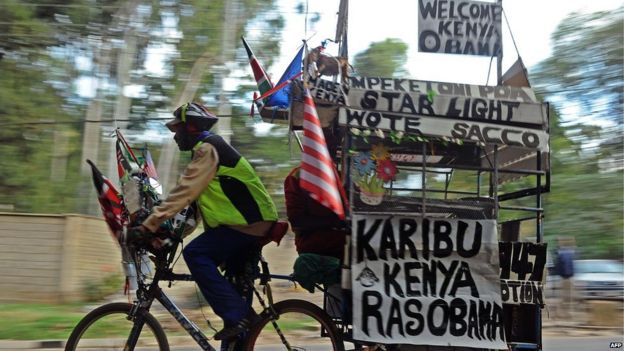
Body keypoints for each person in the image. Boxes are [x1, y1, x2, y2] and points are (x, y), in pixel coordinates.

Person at [133, 102, 278, 341]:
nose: (175, 137)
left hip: (248, 224)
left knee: (196, 255)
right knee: (235, 298)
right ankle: (239, 321)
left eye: (176, 130)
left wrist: (148, 225)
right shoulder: (207, 152)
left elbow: (184, 192)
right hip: (245, 225)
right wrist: (170, 237)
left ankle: (239, 315)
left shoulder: (207, 149)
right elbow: (193, 210)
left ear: (190, 128)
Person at [554, 236, 576, 319]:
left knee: (564, 297)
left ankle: (564, 313)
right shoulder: (568, 253)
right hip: (567, 277)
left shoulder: (562, 254)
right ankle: (564, 313)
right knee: (566, 297)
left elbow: (558, 266)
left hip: (565, 277)